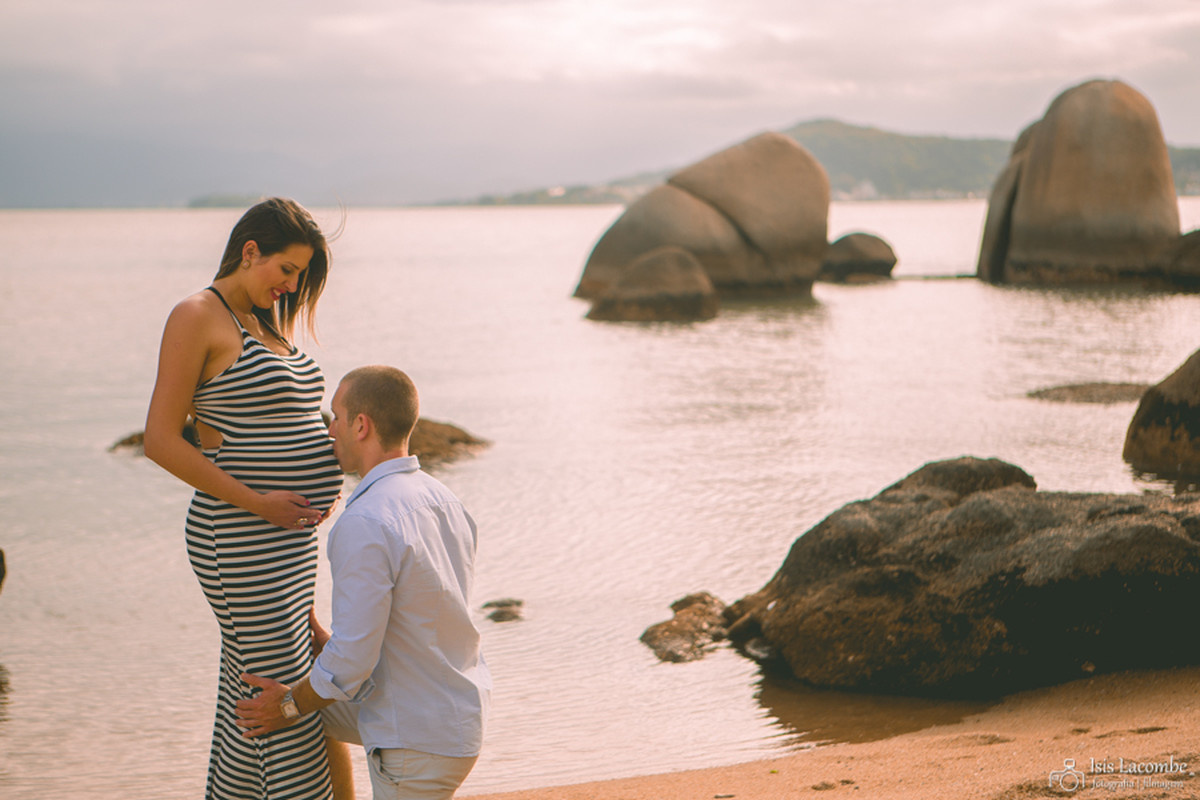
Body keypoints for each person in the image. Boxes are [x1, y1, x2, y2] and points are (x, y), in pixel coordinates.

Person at [144, 198, 351, 800]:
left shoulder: (269, 322)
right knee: (275, 694)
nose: (291, 285)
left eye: (300, 276)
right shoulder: (196, 315)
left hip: (290, 542)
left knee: (283, 687)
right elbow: (160, 439)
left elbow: (291, 417)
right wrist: (260, 503)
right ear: (249, 251)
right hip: (238, 535)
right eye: (285, 269)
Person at [234, 365, 492, 800]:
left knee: (288, 710)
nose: (328, 429)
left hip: (417, 738)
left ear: (360, 425)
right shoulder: (443, 499)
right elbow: (419, 617)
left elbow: (352, 662)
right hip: (455, 712)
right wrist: (329, 649)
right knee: (309, 717)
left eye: (335, 416)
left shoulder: (365, 520)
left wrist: (287, 705)